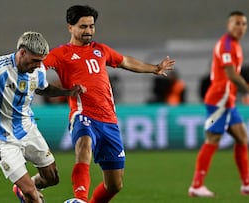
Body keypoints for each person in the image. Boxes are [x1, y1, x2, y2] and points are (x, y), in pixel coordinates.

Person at [43, 5, 175, 203]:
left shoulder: (100, 50)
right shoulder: (61, 53)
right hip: (82, 114)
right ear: (70, 27)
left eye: (91, 26)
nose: (88, 31)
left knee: (114, 184)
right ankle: (79, 198)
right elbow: (38, 67)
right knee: (84, 145)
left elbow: (126, 61)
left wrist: (154, 68)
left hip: (109, 121)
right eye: (83, 27)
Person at [0, 31, 86, 203]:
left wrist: (67, 92)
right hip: (1, 138)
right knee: (31, 194)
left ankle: (22, 188)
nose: (39, 65)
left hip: (28, 129)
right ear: (22, 53)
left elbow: (42, 88)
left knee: (52, 178)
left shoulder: (38, 69)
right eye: (35, 60)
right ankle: (26, 191)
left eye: (41, 61)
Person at [188, 11, 249, 197]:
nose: (240, 27)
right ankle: (196, 185)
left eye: (243, 24)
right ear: (229, 25)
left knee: (242, 137)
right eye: (236, 23)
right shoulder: (226, 45)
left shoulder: (235, 45)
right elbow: (231, 74)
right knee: (213, 140)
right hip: (219, 100)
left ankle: (247, 184)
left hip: (229, 100)